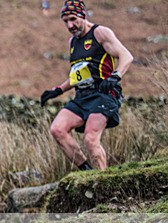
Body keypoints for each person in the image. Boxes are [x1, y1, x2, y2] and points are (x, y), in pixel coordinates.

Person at [39, 0, 133, 171]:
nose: (70, 25)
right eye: (65, 21)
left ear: (83, 16)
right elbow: (78, 75)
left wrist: (115, 76)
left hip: (104, 94)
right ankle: (88, 173)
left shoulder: (100, 33)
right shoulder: (72, 42)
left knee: (90, 139)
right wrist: (57, 90)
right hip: (82, 96)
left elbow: (126, 56)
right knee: (57, 129)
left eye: (73, 19)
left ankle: (102, 184)